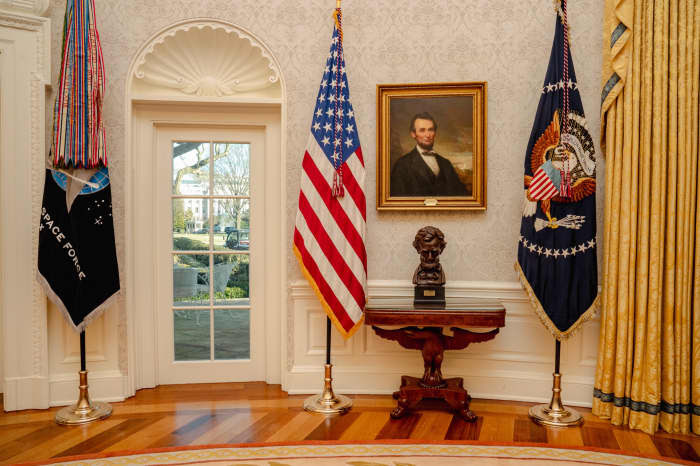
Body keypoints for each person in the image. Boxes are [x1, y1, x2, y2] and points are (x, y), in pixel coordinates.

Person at [390, 112, 469, 197]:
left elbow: (462, 195)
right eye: (422, 130)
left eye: (430, 129)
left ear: (435, 132)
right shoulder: (402, 165)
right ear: (413, 134)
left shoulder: (446, 164)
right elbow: (397, 201)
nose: (428, 135)